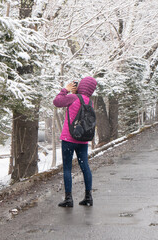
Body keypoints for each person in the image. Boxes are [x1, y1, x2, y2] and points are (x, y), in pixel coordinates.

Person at [53, 76, 97, 207]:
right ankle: (88, 197)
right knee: (85, 167)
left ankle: (68, 199)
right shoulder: (90, 102)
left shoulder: (73, 98)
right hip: (83, 139)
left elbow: (57, 101)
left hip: (69, 138)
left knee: (67, 168)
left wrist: (65, 89)